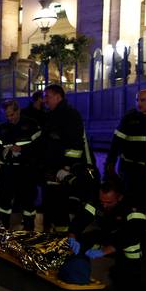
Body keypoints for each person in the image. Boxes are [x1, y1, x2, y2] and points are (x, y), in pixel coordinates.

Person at [67, 177, 146, 291]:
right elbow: (82, 218)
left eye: (109, 202)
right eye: (102, 202)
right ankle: (78, 273)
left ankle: (131, 276)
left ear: (119, 197)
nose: (104, 206)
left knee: (131, 248)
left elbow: (132, 232)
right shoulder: (96, 199)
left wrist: (103, 251)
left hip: (137, 239)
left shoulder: (132, 205)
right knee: (81, 241)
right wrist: (72, 236)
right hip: (110, 233)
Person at [104, 89, 146, 233]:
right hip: (130, 169)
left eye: (142, 100)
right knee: (131, 200)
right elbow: (116, 143)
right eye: (137, 100)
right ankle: (130, 231)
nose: (139, 103)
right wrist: (110, 165)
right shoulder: (129, 118)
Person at [40, 84, 89, 232]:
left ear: (58, 96)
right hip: (50, 170)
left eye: (47, 96)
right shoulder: (51, 116)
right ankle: (51, 240)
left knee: (60, 208)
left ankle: (62, 244)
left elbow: (76, 146)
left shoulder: (70, 116)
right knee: (50, 208)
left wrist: (66, 168)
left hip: (62, 172)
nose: (44, 100)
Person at [0, 99, 40, 230]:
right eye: (7, 115)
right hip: (8, 169)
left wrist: (23, 150)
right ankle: (3, 228)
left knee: (28, 200)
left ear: (18, 111)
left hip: (26, 169)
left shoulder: (31, 125)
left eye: (12, 114)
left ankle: (29, 229)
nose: (10, 118)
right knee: (4, 200)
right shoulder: (2, 128)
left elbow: (40, 146)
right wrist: (5, 151)